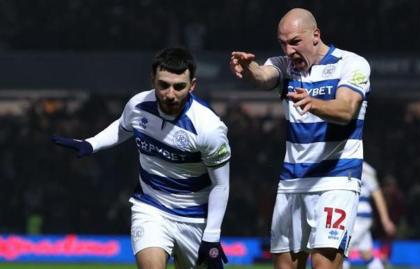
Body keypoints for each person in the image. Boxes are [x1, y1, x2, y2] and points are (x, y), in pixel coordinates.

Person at [52, 48, 230, 269]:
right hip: (151, 208)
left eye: (179, 86)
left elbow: (221, 185)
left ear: (192, 85)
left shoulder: (209, 128)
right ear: (152, 80)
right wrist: (92, 143)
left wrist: (212, 236)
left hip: (195, 218)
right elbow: (123, 127)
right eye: (163, 85)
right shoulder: (138, 105)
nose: (170, 93)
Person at [230, 8, 371, 269]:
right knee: (285, 265)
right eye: (283, 44)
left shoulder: (351, 64)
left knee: (324, 264)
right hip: (293, 181)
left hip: (336, 179)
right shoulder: (283, 66)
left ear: (316, 35)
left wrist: (313, 103)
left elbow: (346, 110)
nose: (289, 51)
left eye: (295, 42)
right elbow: (263, 76)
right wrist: (250, 69)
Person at [343, 162, 396, 269]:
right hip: (357, 216)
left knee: (342, 251)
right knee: (367, 254)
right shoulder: (358, 166)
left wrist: (386, 221)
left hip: (357, 216)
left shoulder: (364, 168)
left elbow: (377, 194)